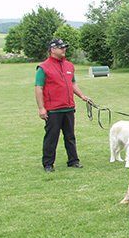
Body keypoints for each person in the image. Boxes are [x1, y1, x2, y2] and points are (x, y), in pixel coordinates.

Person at [34, 38, 91, 172]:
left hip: (69, 108)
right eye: (61, 47)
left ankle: (73, 161)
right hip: (53, 110)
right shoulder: (43, 68)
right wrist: (41, 108)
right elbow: (38, 88)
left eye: (64, 47)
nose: (64, 49)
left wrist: (82, 96)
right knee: (51, 138)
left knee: (70, 137)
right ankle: (48, 164)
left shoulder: (69, 65)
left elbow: (72, 84)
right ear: (52, 50)